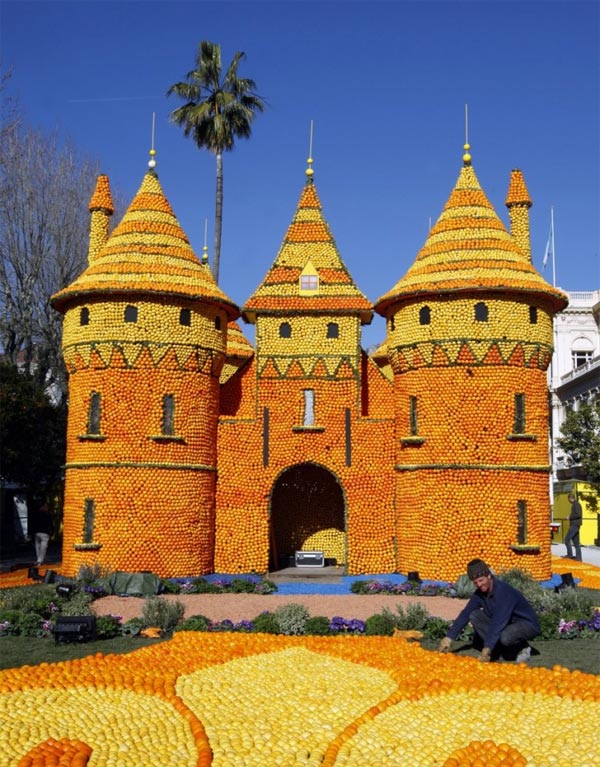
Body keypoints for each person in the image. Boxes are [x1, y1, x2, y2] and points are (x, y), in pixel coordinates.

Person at [438, 558, 540, 663]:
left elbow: (498, 621)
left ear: (489, 576)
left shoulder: (502, 592)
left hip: (526, 623)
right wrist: (449, 638)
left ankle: (522, 647)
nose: (479, 585)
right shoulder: (480, 593)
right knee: (474, 614)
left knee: (505, 636)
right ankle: (499, 649)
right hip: (508, 623)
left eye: (481, 580)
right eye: (475, 582)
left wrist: (487, 647)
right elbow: (466, 613)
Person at [563, 492, 582, 561]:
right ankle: (578, 558)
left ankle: (570, 555)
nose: (568, 501)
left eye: (568, 499)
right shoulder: (576, 504)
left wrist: (569, 517)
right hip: (576, 525)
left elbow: (578, 514)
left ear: (570, 498)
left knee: (567, 539)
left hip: (574, 525)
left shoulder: (576, 505)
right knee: (576, 543)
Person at [32, 499, 53, 566]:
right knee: (43, 548)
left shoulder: (36, 513)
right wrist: (51, 532)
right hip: (45, 533)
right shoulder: (47, 514)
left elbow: (33, 523)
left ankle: (38, 559)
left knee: (37, 547)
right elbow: (51, 524)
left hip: (37, 532)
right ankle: (40, 560)